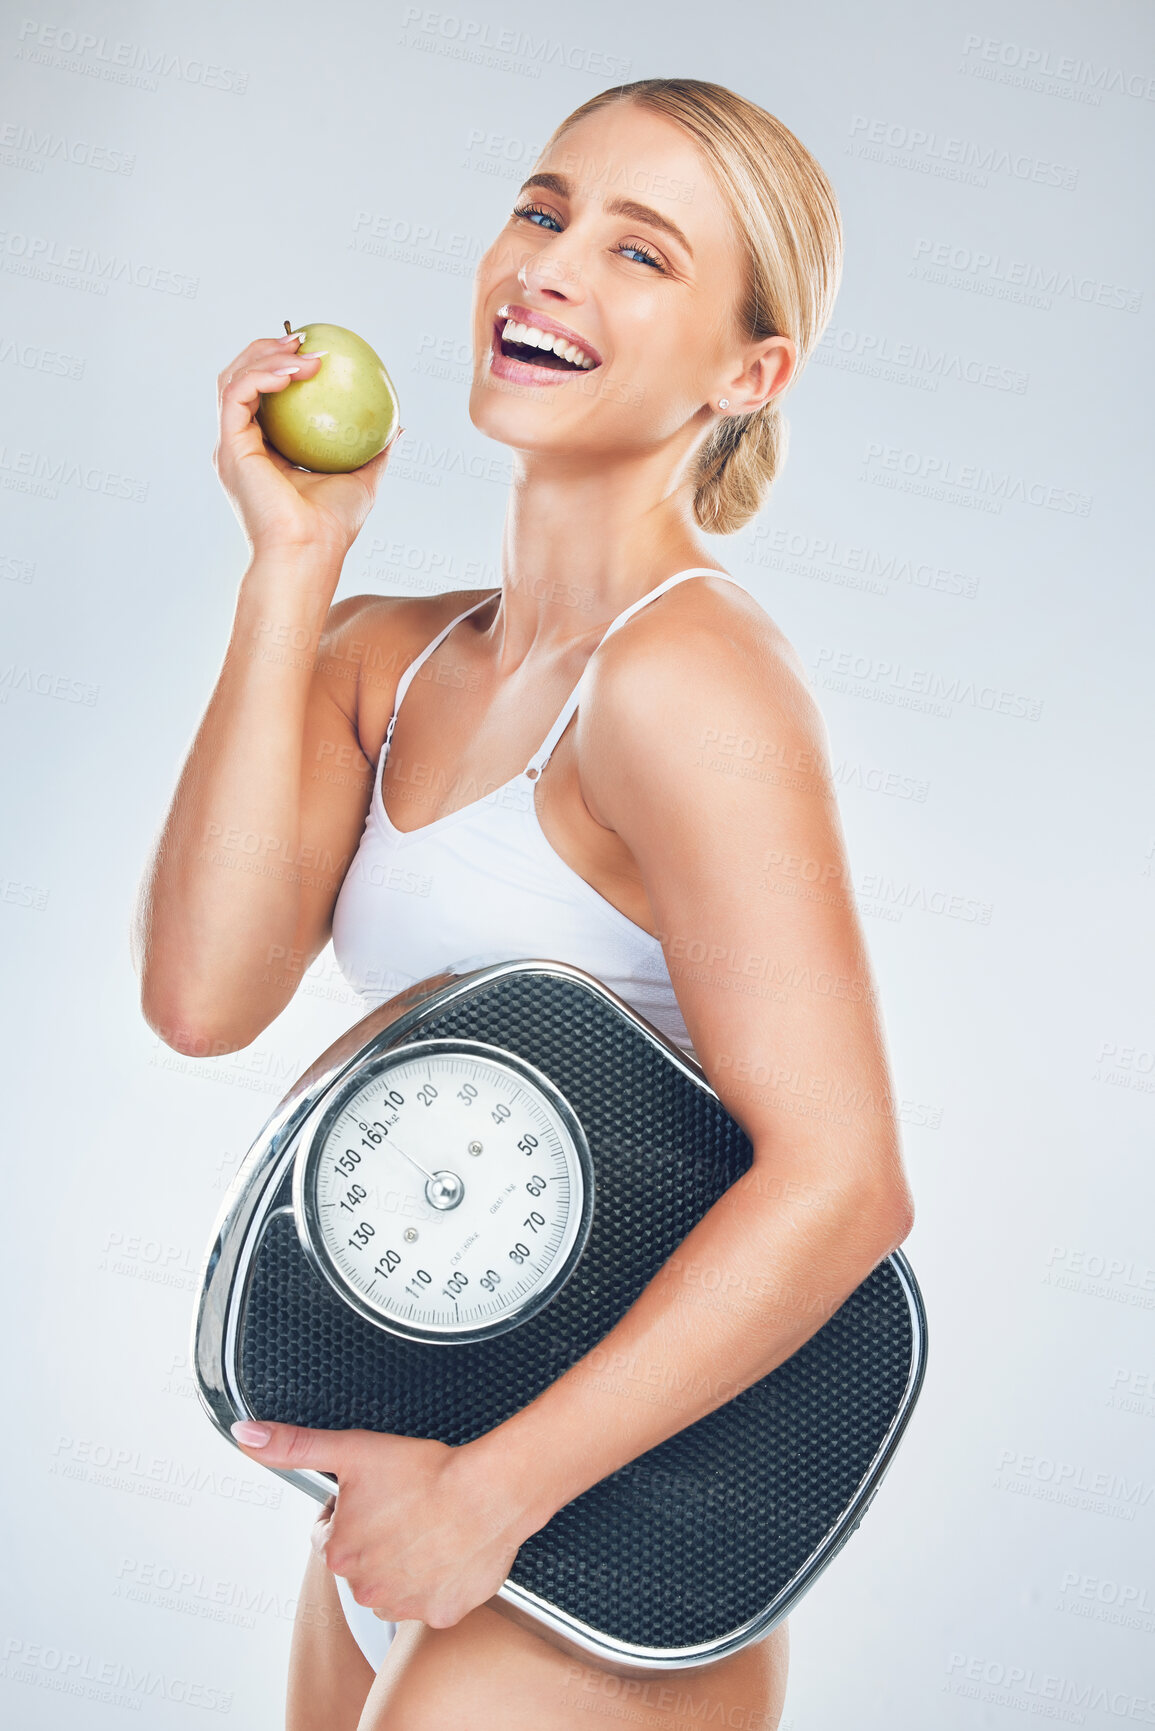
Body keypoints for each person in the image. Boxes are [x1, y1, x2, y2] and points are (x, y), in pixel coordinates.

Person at [135, 77, 915, 1731]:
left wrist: (496, 1499)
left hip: (603, 1505)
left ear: (748, 374)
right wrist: (291, 568)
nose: (551, 268)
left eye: (642, 255)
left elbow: (845, 1185)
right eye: (546, 213)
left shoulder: (692, 681)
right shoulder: (385, 656)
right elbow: (204, 996)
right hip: (425, 1456)